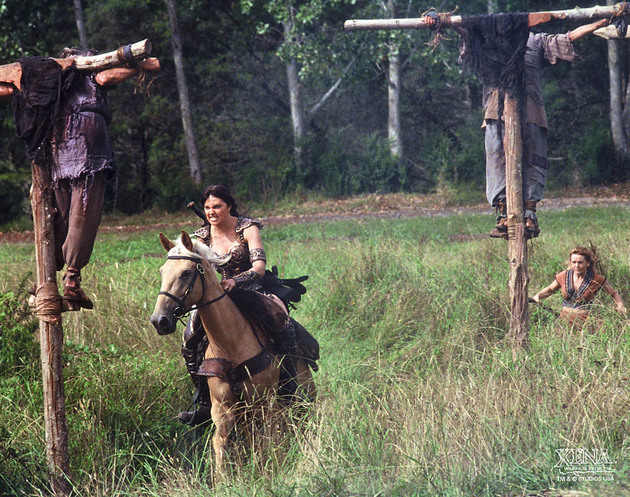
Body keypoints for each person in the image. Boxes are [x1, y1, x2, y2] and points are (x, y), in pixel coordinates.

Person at [4, 48, 160, 309]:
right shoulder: (82, 75)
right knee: (82, 213)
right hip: (85, 150)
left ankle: (48, 275)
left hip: (59, 153)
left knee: (61, 215)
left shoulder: (50, 83)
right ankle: (71, 279)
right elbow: (106, 77)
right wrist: (140, 66)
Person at [448, 15, 608, 239]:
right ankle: (503, 212)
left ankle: (530, 213)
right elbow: (466, 32)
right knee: (497, 160)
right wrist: (441, 21)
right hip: (496, 111)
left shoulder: (536, 41)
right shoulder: (489, 41)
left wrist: (599, 23)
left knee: (534, 160)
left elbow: (568, 38)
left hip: (531, 110)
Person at [178, 185, 316, 426]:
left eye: (217, 206)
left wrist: (235, 281)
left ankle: (288, 387)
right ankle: (204, 402)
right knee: (189, 337)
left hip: (252, 289)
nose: (211, 212)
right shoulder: (201, 237)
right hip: (217, 296)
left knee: (281, 323)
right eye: (207, 207)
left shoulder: (247, 228)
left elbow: (259, 267)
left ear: (229, 206)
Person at [531, 246, 626, 325]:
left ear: (588, 263)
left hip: (586, 323)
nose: (576, 266)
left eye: (580, 262)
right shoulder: (563, 276)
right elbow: (550, 289)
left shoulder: (596, 279)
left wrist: (620, 305)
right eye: (574, 262)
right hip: (564, 322)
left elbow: (613, 293)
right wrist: (538, 296)